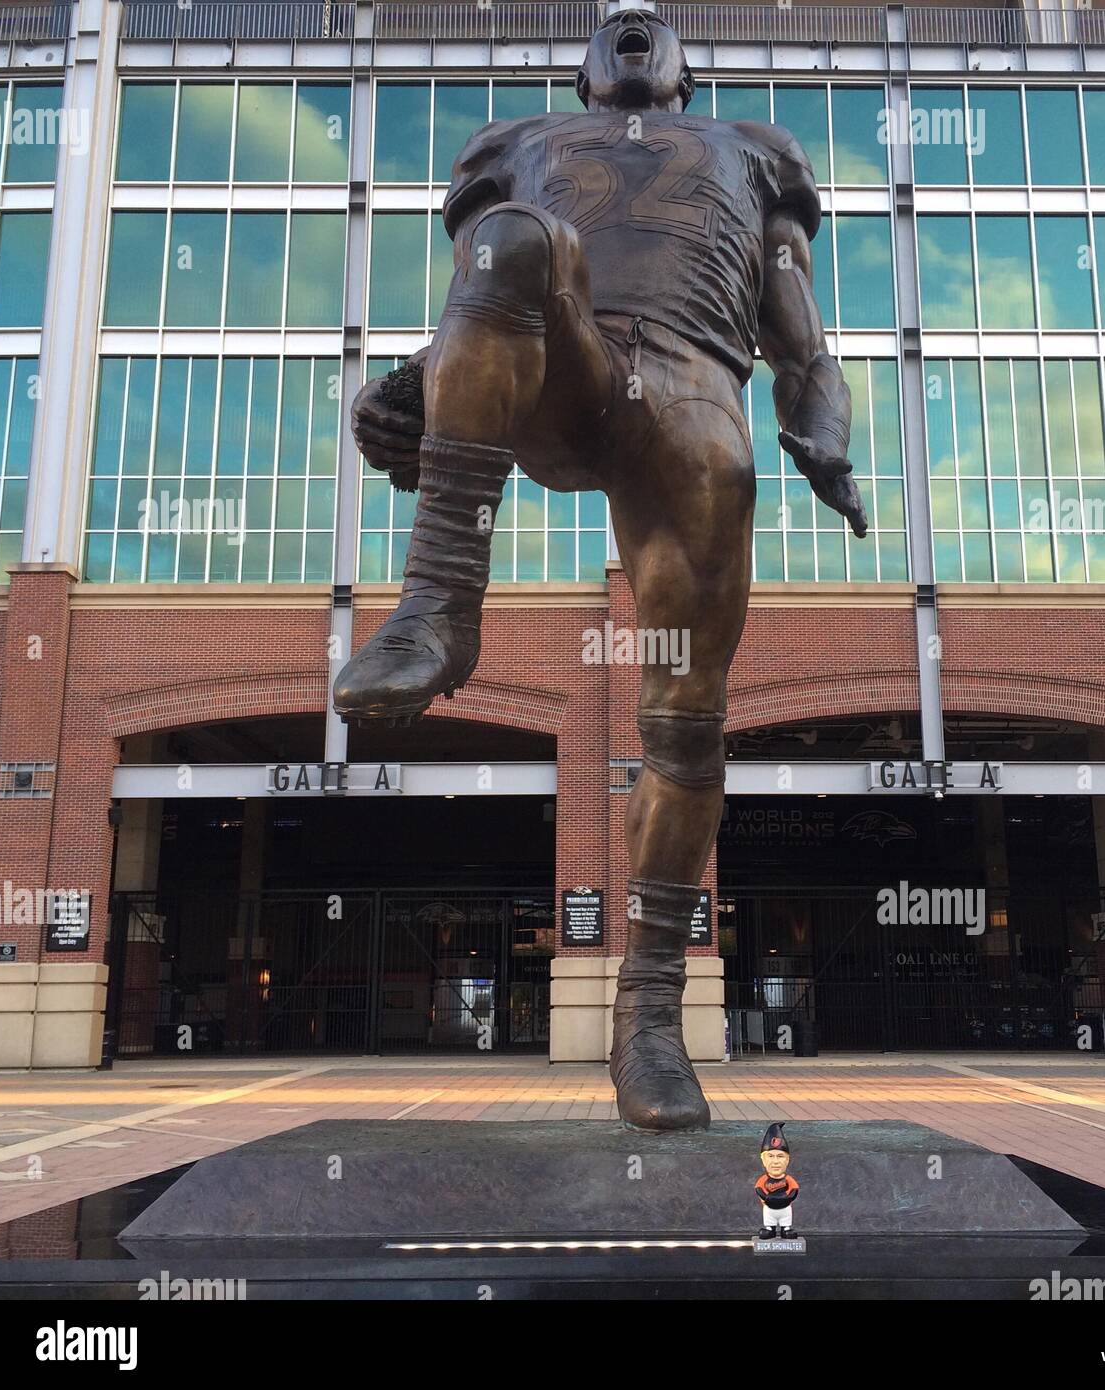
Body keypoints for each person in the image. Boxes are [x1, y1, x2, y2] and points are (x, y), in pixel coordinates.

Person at [338, 9, 866, 1131]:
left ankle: (650, 1018)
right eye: (611, 28)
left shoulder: (752, 151)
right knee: (519, 242)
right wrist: (416, 388)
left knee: (686, 725)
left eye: (654, 27)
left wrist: (826, 432)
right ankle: (439, 597)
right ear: (579, 73)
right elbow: (473, 310)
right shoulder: (515, 147)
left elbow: (803, 342)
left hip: (692, 395)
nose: (633, 26)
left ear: (685, 73)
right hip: (571, 364)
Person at [755, 1121, 800, 1238]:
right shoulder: (764, 1179)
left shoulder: (788, 1179)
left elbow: (794, 1189)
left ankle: (786, 1229)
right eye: (770, 1156)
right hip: (769, 1208)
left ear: (787, 1160)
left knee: (786, 1221)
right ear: (763, 1160)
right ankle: (770, 1230)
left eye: (780, 1156)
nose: (775, 1161)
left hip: (785, 1208)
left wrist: (787, 1197)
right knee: (769, 1222)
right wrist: (767, 1198)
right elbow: (759, 1189)